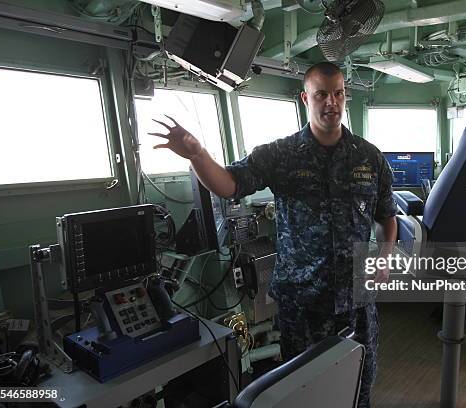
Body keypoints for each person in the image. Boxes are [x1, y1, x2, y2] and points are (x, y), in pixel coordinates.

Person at [150, 62, 398, 408]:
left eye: (338, 93)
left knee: (359, 389)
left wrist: (384, 260)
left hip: (356, 301)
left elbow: (387, 217)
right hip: (302, 303)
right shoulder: (280, 154)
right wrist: (198, 155)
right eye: (321, 94)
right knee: (305, 393)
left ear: (346, 96)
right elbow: (229, 185)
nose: (332, 102)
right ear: (304, 99)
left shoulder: (369, 157)